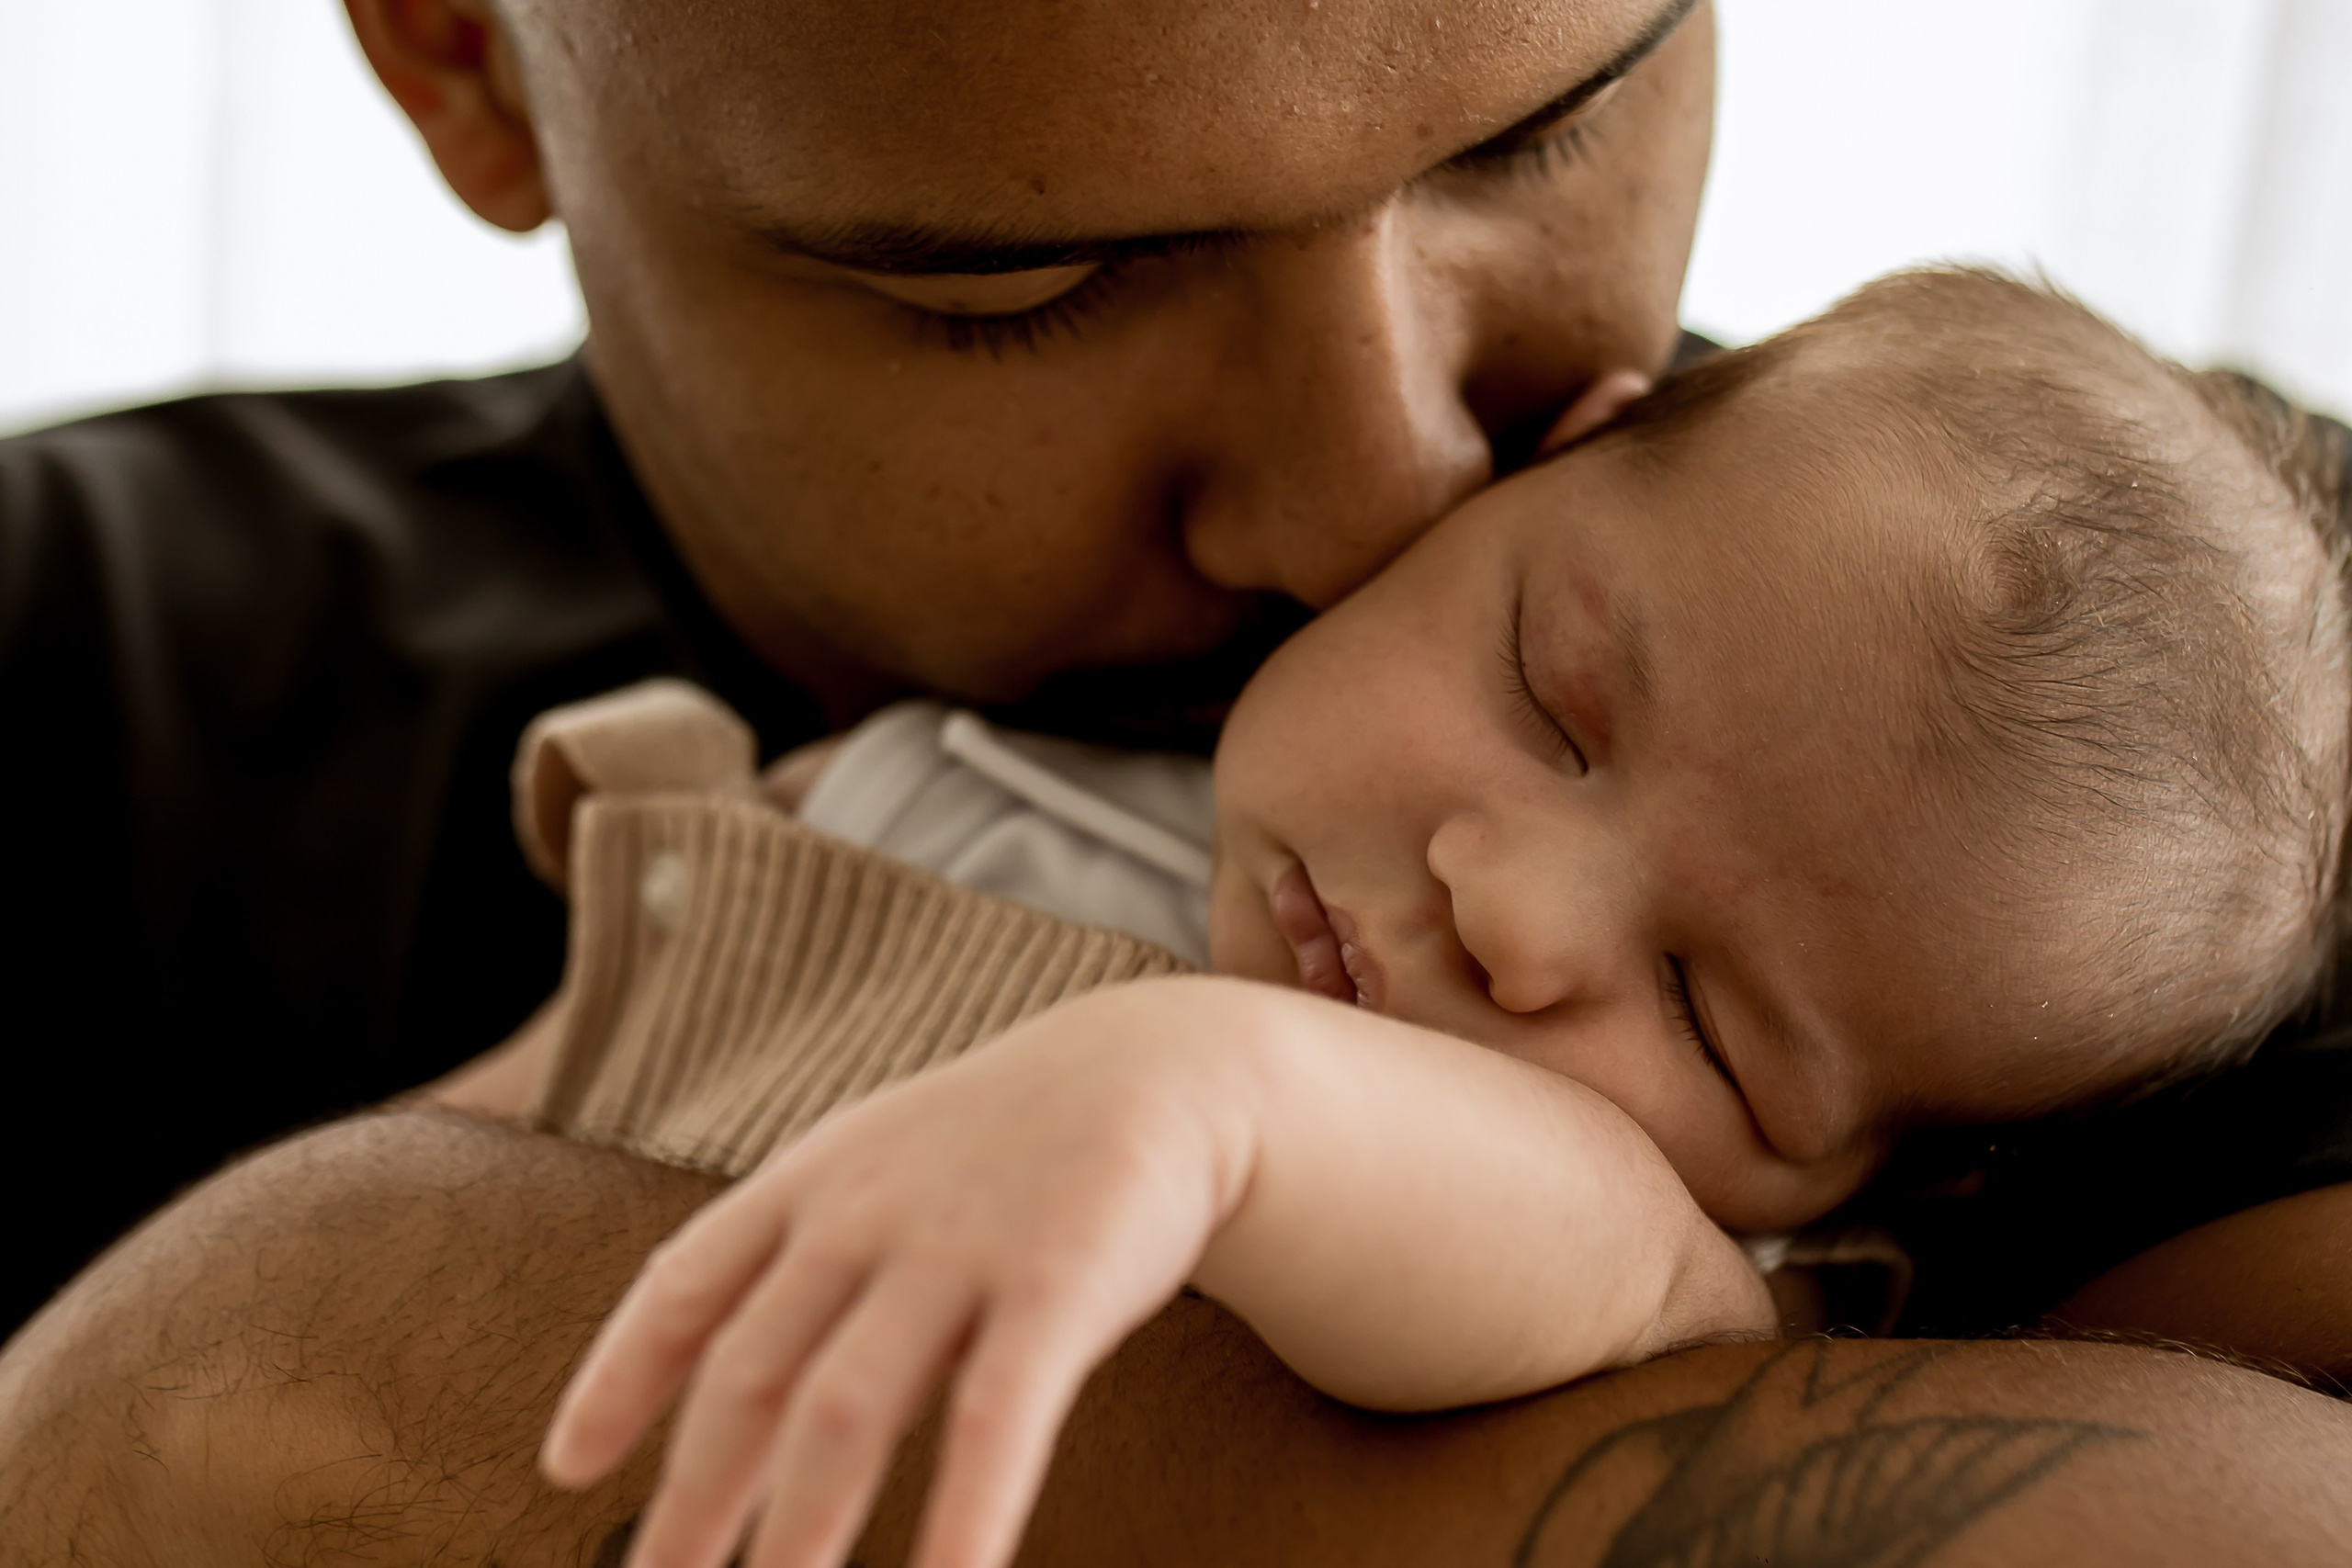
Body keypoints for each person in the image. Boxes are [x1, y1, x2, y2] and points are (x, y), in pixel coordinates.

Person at [7, 0, 2352, 1559]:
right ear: (459, 57)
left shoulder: (2157, 763)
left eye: (1537, 121)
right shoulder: (88, 669)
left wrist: (1217, 1100)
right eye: (1015, 285)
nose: (1375, 491)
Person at [516, 267, 2350, 1568]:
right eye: (1555, 703)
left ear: (1888, 1175)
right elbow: (432, 1153)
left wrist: (1217, 1092)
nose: (1509, 912)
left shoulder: (1680, 1268)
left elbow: (1581, 1252)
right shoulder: (920, 792)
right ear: (1547, 458)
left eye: (1702, 1011)